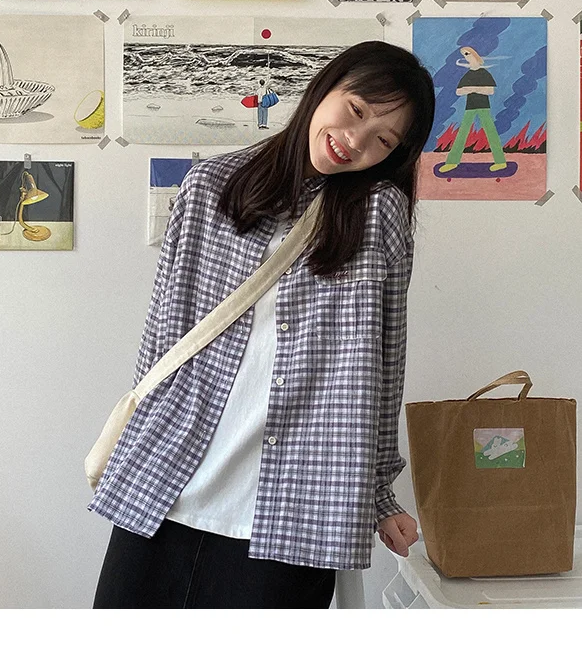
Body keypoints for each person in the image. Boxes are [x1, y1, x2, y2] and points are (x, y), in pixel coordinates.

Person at [89, 41, 436, 609]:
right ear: (325, 87)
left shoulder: (379, 214)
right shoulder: (211, 186)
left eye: (383, 140)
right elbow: (165, 335)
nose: (356, 140)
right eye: (355, 111)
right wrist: (139, 440)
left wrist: (379, 493)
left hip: (300, 498)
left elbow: (385, 361)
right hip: (175, 474)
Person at [439, 46, 507, 173]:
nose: (465, 57)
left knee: (491, 132)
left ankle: (500, 162)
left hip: (483, 107)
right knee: (462, 133)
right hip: (470, 107)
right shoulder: (468, 75)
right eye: (464, 55)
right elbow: (459, 91)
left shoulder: (484, 73)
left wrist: (472, 89)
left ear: (475, 55)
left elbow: (490, 91)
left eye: (467, 54)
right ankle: (452, 162)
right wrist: (475, 89)